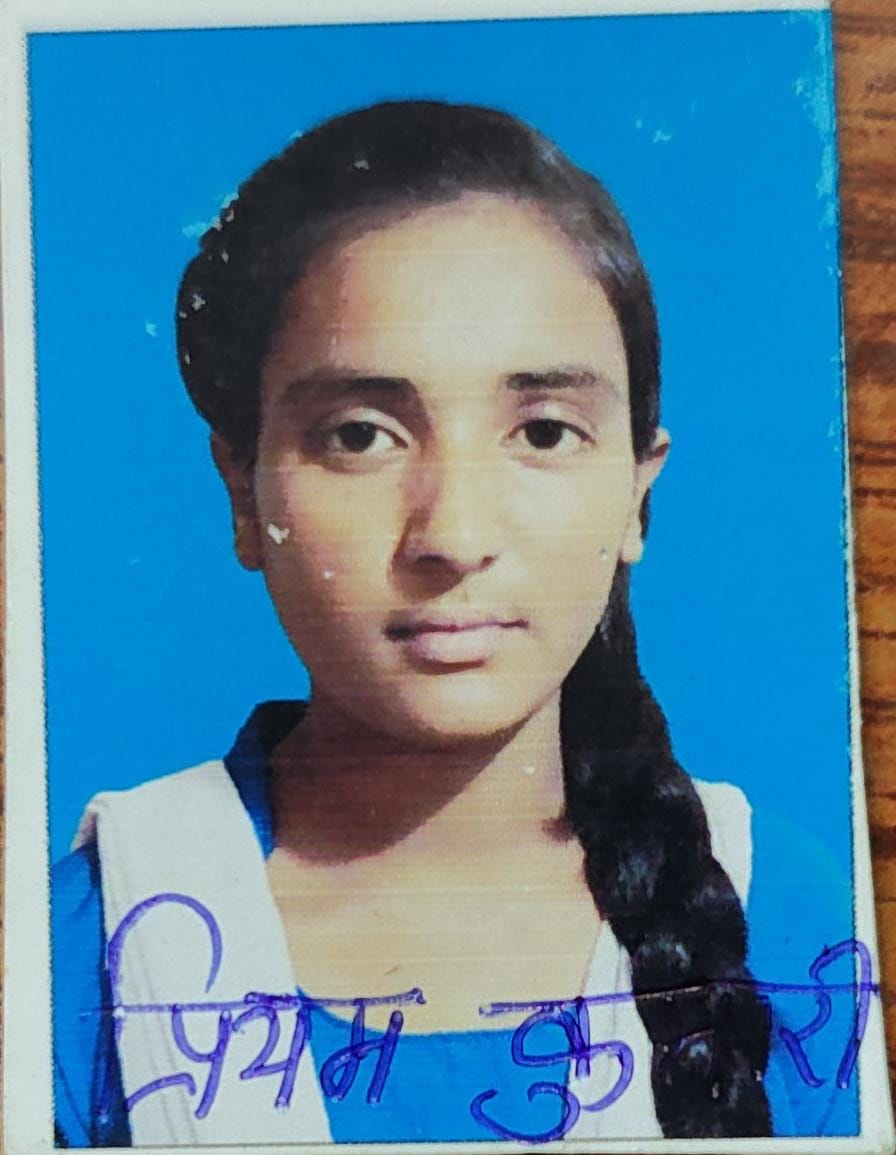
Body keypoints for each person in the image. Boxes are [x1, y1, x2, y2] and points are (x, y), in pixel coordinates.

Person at [51, 100, 857, 1147]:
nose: (454, 535)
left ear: (636, 493)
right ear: (243, 493)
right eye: (359, 435)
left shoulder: (794, 920)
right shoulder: (86, 943)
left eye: (544, 432)